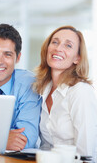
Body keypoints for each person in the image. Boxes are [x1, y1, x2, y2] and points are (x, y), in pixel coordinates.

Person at [34, 26, 97, 156]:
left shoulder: (81, 92)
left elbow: (86, 153)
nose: (58, 48)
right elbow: (46, 146)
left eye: (68, 46)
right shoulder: (42, 89)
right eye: (55, 42)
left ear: (77, 58)